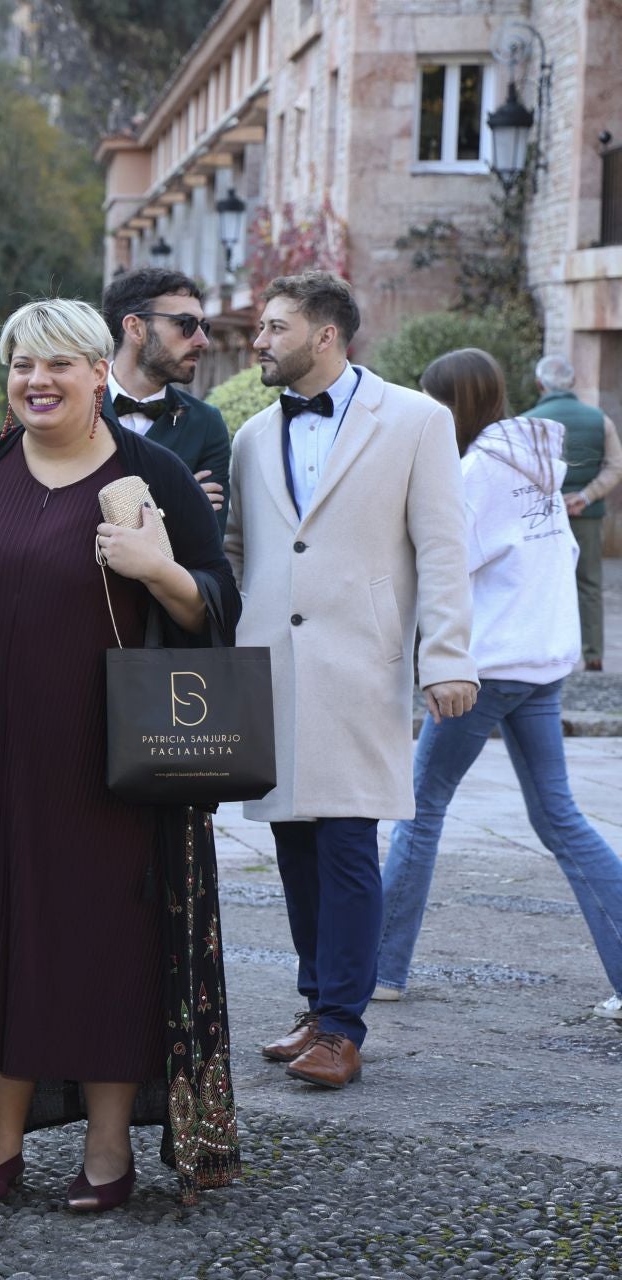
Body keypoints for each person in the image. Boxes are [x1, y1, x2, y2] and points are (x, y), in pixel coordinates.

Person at [0, 297, 242, 1212]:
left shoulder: (152, 474)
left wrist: (157, 570)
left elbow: (220, 604)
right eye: (21, 365)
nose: (36, 381)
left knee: (100, 949)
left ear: (98, 374)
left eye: (57, 365)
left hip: (102, 768)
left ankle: (108, 1153)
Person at [225, 272, 476, 1090]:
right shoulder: (252, 436)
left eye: (273, 327)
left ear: (325, 335)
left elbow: (442, 548)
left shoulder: (416, 420)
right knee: (293, 842)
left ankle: (343, 1027)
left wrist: (445, 659)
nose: (258, 341)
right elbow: (238, 551)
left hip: (361, 663)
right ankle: (315, 1004)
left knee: (347, 844)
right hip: (270, 664)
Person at [375, 349, 622, 1023]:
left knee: (420, 810)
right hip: (540, 660)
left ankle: (383, 971)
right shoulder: (537, 460)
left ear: (449, 406)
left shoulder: (476, 473)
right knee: (558, 817)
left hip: (486, 666)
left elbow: (442, 560)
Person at [100, 268, 230, 523]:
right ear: (135, 328)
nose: (202, 340)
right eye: (186, 324)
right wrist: (175, 504)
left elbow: (206, 548)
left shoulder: (206, 424)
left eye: (203, 326)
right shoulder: (76, 408)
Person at [526, 355, 622, 672]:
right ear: (574, 383)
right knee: (590, 585)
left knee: (541, 582)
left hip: (541, 517)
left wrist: (551, 497)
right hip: (588, 515)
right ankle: (593, 654)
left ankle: (542, 651)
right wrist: (585, 495)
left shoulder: (529, 420)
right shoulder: (599, 419)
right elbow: (615, 466)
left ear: (540, 384)